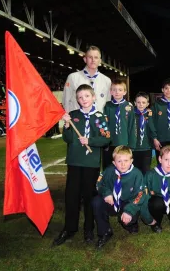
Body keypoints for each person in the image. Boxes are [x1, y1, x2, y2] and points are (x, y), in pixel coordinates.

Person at [53, 84, 111, 246]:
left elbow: (106, 138)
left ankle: (88, 229)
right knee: (71, 196)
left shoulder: (100, 117)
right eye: (80, 97)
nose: (83, 99)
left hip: (90, 164)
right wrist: (66, 126)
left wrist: (90, 141)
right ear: (77, 100)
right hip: (74, 162)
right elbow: (68, 139)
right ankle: (69, 228)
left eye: (86, 96)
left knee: (89, 197)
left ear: (93, 97)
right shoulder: (73, 116)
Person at [92, 146, 149, 249]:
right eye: (119, 161)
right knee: (96, 202)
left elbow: (140, 194)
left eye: (126, 160)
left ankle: (130, 223)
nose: (123, 164)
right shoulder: (109, 171)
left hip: (128, 202)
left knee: (129, 218)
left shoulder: (137, 174)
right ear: (114, 163)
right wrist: (106, 193)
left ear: (131, 161)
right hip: (112, 201)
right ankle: (105, 231)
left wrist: (129, 210)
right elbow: (99, 183)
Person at [62, 45, 111, 113]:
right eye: (90, 57)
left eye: (96, 57)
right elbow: (66, 100)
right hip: (77, 120)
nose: (93, 60)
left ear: (100, 61)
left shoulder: (107, 81)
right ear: (85, 59)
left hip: (98, 121)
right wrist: (68, 119)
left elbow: (108, 103)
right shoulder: (73, 77)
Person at [103, 79, 136, 169]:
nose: (117, 92)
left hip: (123, 143)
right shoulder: (107, 106)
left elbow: (132, 126)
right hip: (109, 143)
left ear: (124, 92)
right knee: (108, 168)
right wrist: (104, 142)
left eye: (120, 90)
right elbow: (104, 125)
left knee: (123, 168)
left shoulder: (129, 107)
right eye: (114, 89)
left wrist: (131, 145)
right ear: (111, 91)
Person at [133, 91, 157, 174]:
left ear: (147, 104)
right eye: (138, 102)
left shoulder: (150, 114)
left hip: (147, 147)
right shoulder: (131, 115)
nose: (141, 104)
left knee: (146, 170)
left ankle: (145, 187)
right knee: (135, 170)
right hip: (134, 148)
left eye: (143, 102)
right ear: (135, 103)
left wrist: (155, 139)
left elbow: (153, 129)